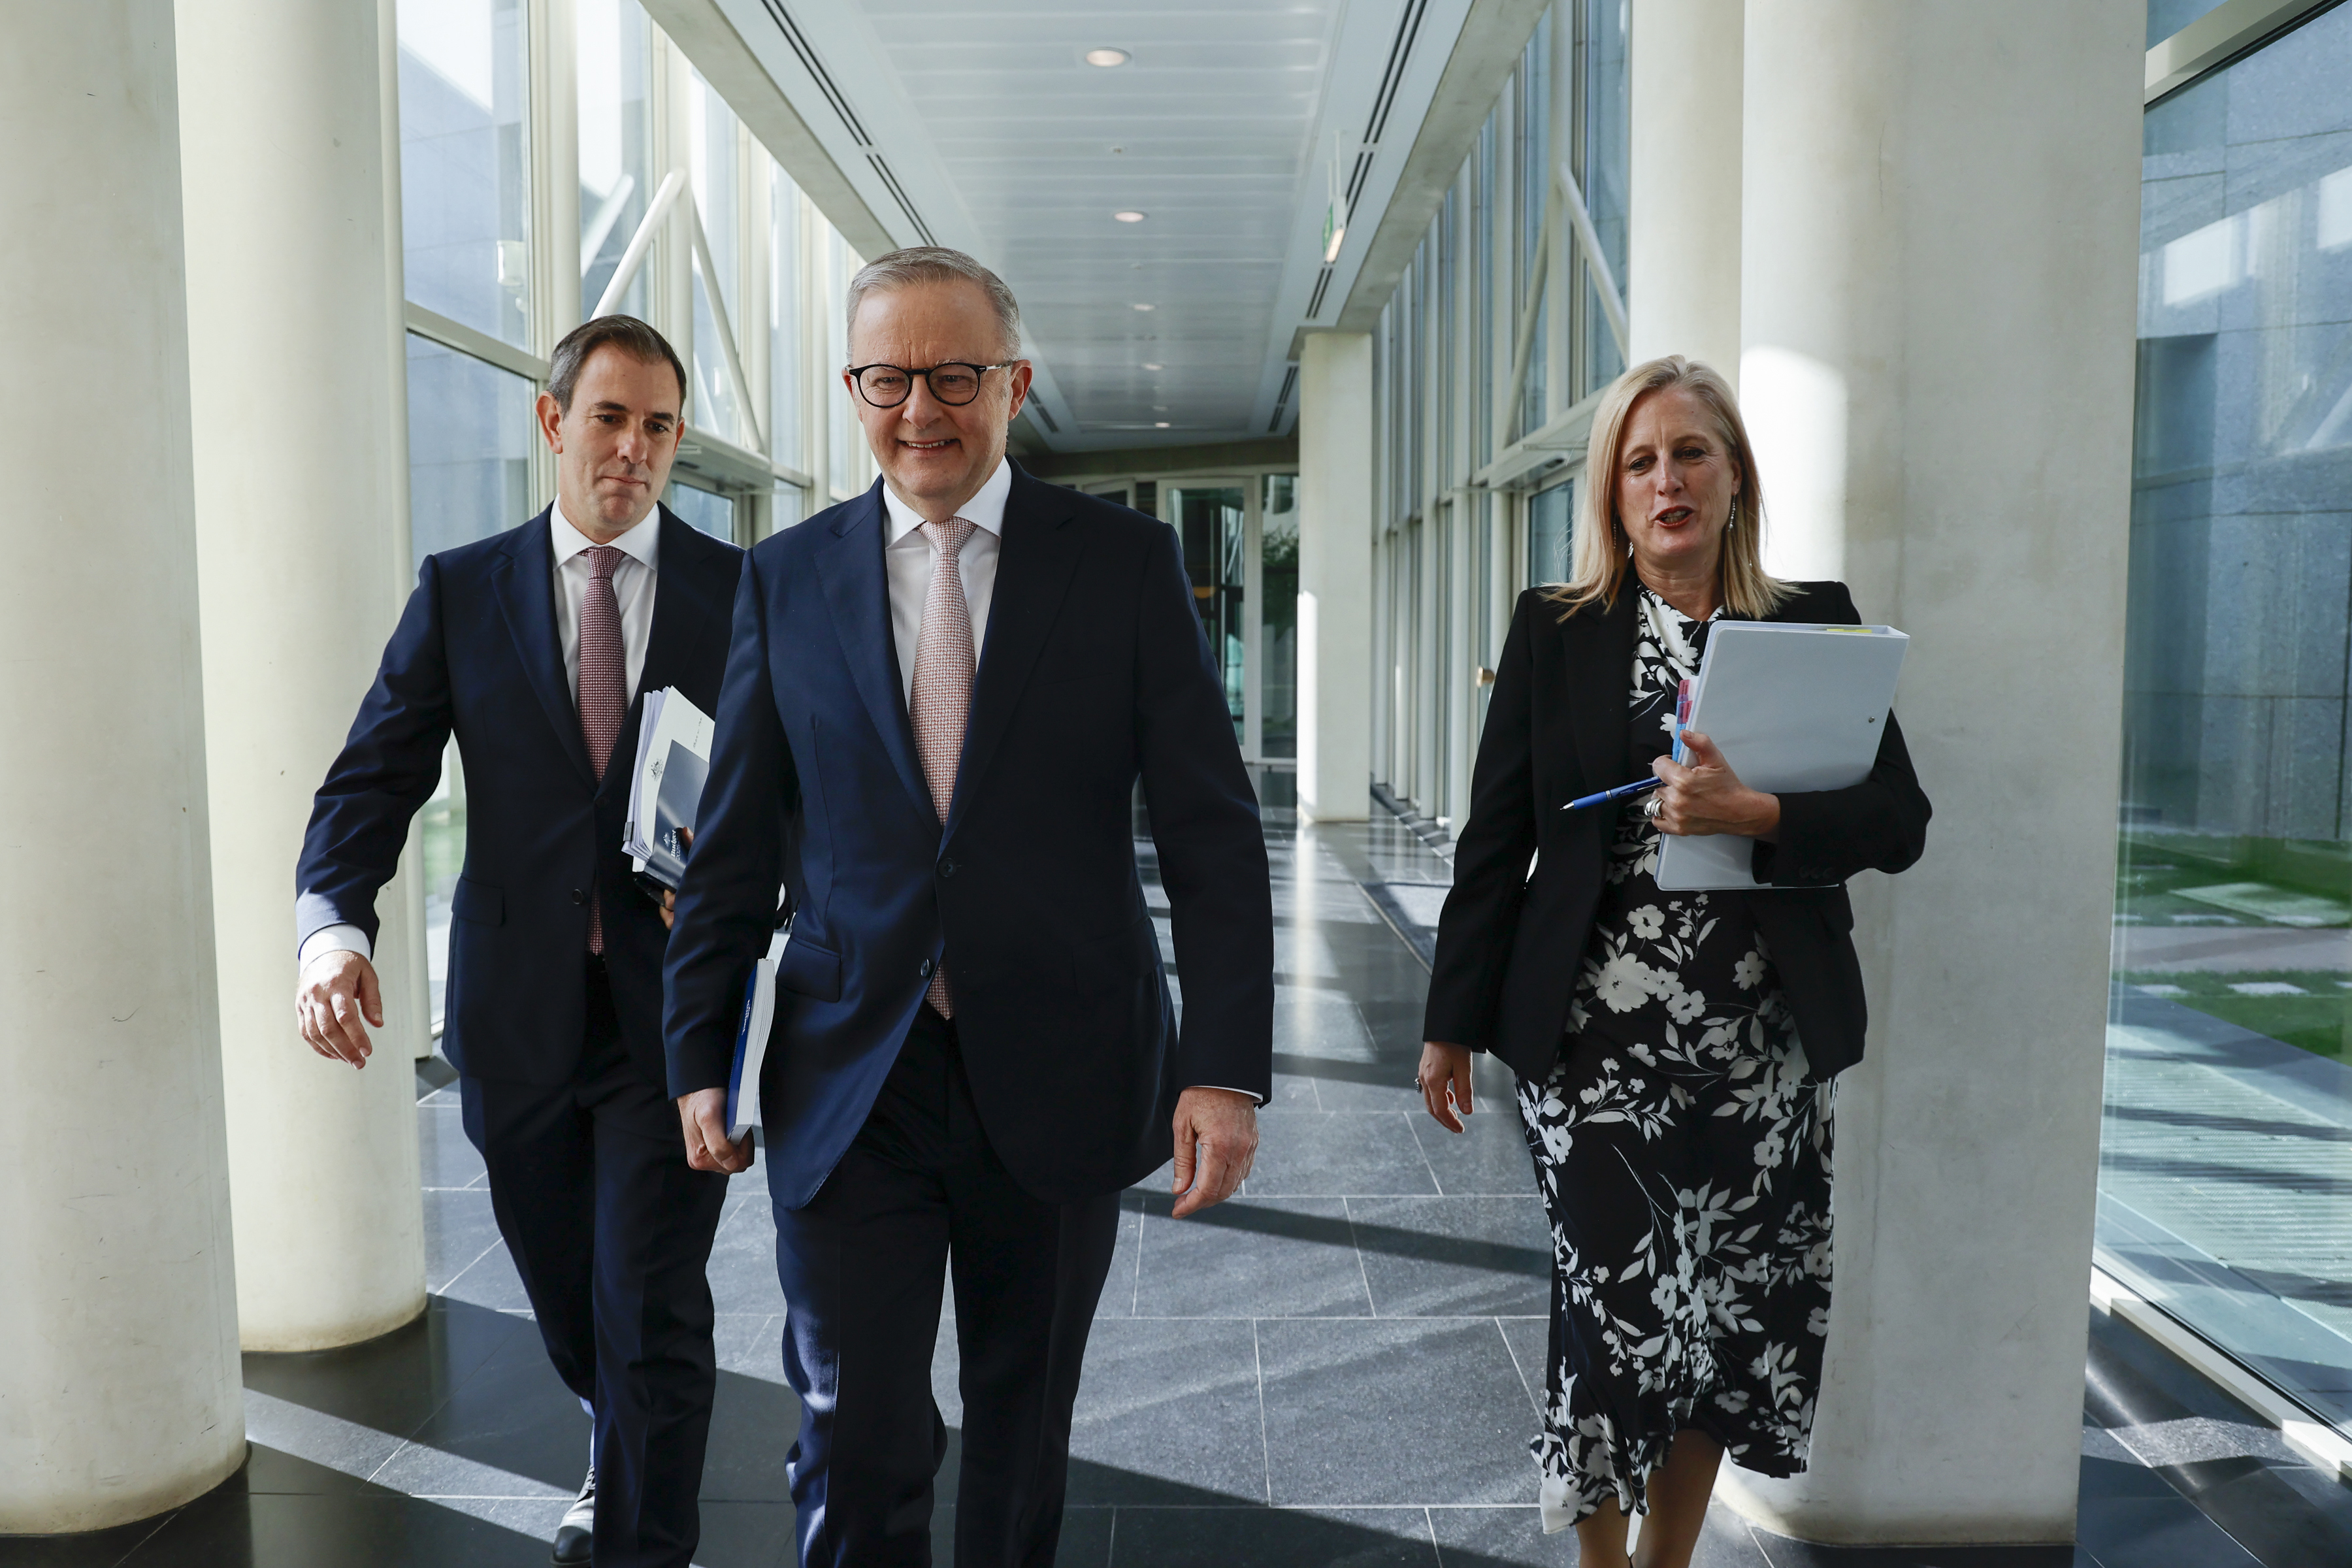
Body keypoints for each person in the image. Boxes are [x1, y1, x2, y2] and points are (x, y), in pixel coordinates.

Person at [662, 246, 1273, 1567]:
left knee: (1019, 1432)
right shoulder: (788, 578)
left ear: (1015, 385)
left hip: (1059, 1065)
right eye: (890, 378)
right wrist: (699, 1046)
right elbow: (731, 847)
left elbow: (1213, 836)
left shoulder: (1120, 566)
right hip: (848, 1078)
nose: (921, 409)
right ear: (852, 387)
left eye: (955, 375)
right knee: (853, 1429)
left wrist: (1222, 1069)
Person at [1416, 356, 1930, 1568]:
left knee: (1728, 1317)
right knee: (1611, 1315)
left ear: (1736, 475)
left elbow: (1900, 823)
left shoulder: (1814, 623)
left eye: (1691, 454)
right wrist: (1450, 1020)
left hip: (1765, 1051)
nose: (1667, 481)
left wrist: (1757, 815)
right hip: (1597, 1045)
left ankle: (1666, 1562)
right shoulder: (1558, 631)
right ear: (1611, 492)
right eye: (1640, 462)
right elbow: (1496, 841)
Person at [293, 316, 744, 1568]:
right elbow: (368, 783)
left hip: (670, 1016)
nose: (634, 451)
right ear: (553, 423)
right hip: (514, 1019)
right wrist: (332, 928)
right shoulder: (462, 588)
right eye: (610, 419)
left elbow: (798, 793)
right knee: (571, 1299)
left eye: (659, 427)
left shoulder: (740, 593)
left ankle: (644, 1534)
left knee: (649, 1304)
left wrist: (741, 893)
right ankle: (615, 1428)